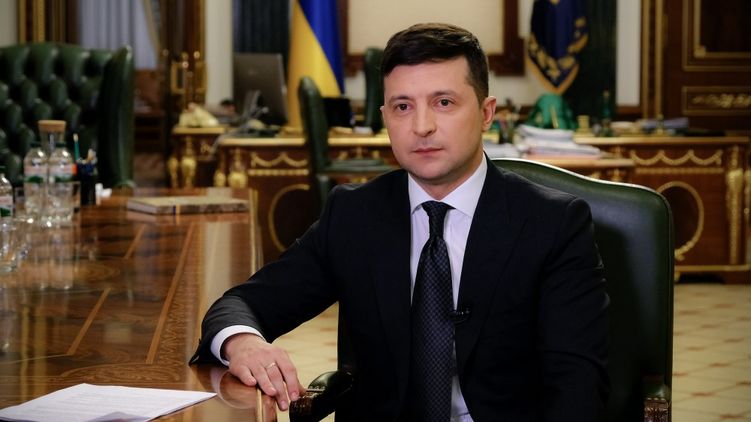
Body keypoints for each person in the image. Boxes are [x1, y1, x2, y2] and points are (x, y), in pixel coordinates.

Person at [191, 22, 609, 421]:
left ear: (487, 113)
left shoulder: (553, 223)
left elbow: (577, 388)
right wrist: (243, 342)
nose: (421, 127)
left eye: (444, 103)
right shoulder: (354, 215)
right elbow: (240, 305)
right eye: (402, 107)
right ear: (385, 116)